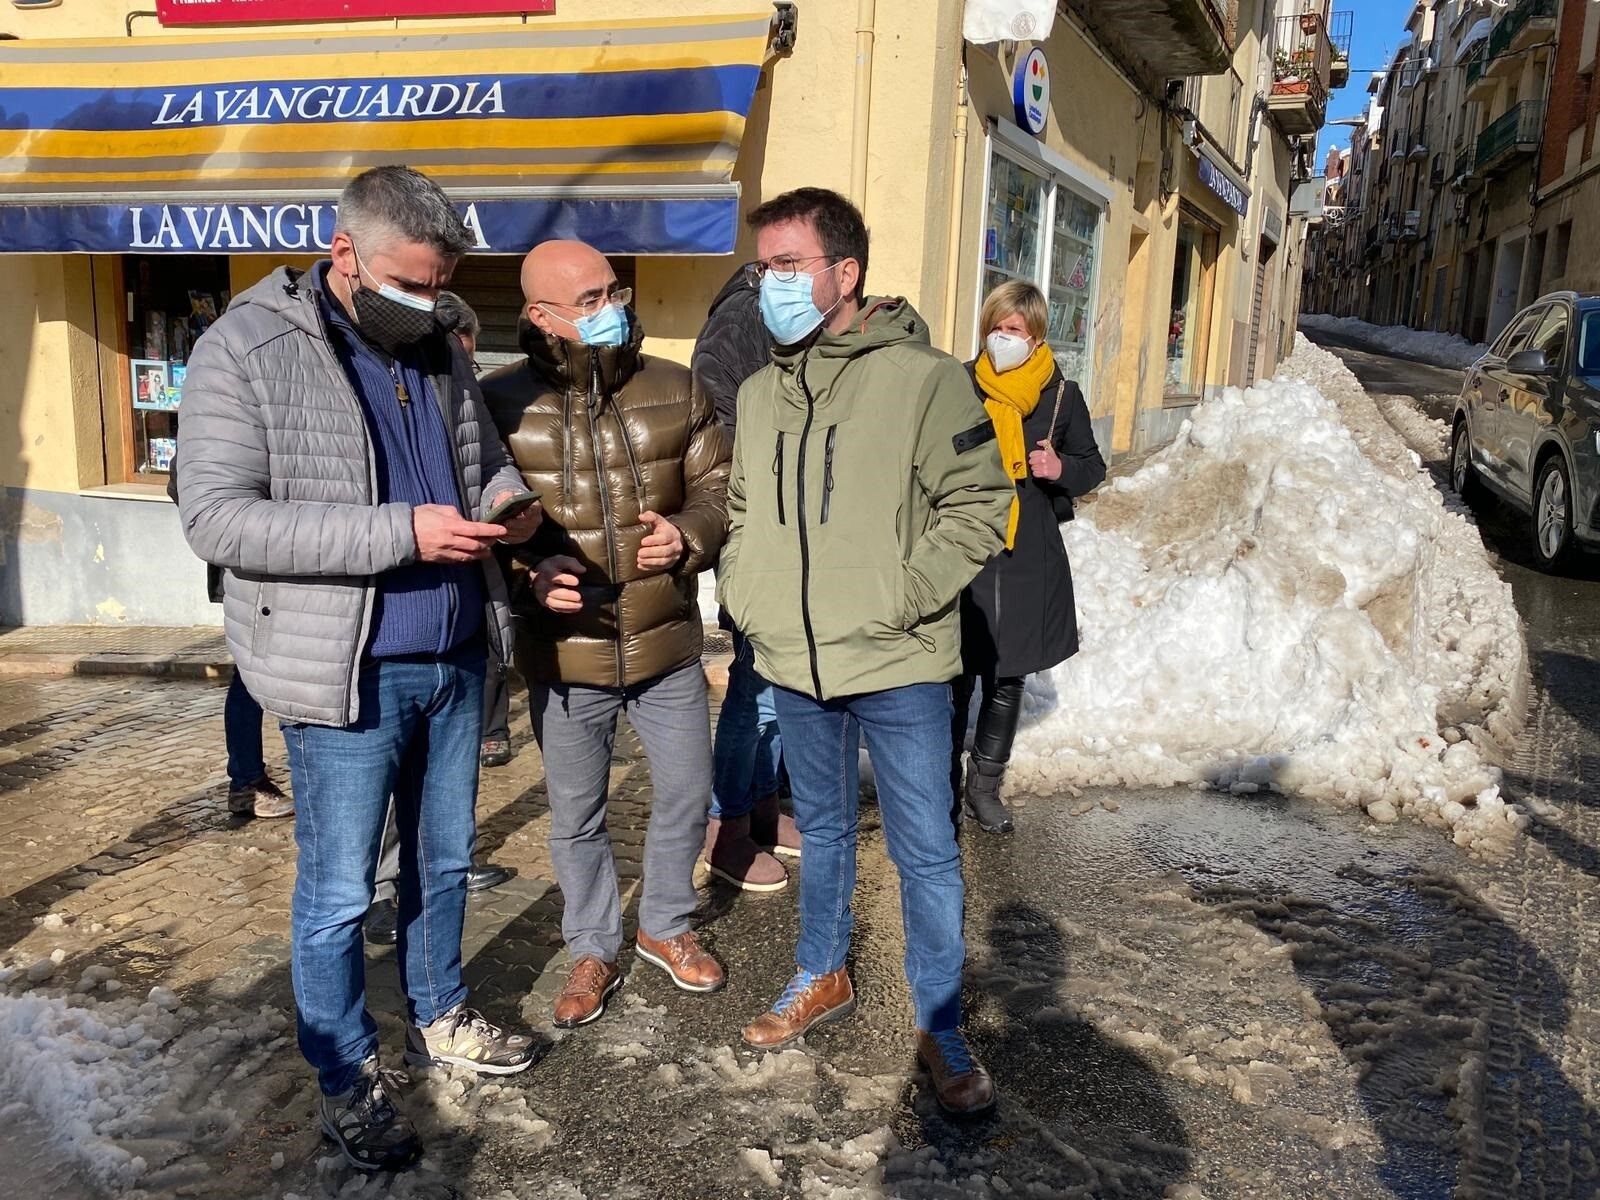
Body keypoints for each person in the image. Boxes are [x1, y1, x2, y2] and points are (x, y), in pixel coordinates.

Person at [176, 166, 542, 1172]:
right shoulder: (242, 349)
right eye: (411, 284)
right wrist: (400, 532)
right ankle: (344, 1073)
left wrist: (515, 511)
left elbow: (478, 459)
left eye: (440, 286)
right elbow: (215, 515)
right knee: (340, 893)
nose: (428, 306)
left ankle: (442, 1015)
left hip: (457, 655)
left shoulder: (434, 344)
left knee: (444, 860)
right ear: (345, 256)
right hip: (345, 672)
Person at [718, 188, 1013, 1115]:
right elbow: (740, 513)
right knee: (829, 833)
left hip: (900, 664)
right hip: (795, 663)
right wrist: (748, 593)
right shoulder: (763, 391)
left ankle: (939, 1022)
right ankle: (822, 974)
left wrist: (899, 599)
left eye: (791, 266)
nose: (773, 284)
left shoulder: (925, 379)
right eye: (765, 267)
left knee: (925, 847)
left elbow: (979, 503)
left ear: (845, 274)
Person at [482, 240, 732, 1030]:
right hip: (567, 656)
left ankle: (665, 924)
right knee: (577, 815)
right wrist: (528, 577)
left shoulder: (676, 386)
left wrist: (689, 534)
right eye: (587, 299)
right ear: (541, 317)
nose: (609, 308)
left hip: (665, 643)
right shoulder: (499, 405)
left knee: (689, 791)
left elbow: (723, 490)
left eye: (611, 290)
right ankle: (593, 944)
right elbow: (485, 527)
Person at [954, 281, 1106, 833]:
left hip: (1027, 548)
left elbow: (1092, 465)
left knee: (1007, 674)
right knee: (956, 673)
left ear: (1036, 335)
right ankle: (943, 785)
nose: (1002, 338)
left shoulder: (1059, 394)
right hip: (966, 541)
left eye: (1014, 330)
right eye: (996, 326)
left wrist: (1059, 470)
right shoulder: (961, 384)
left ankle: (984, 787)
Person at [691, 267, 794, 892]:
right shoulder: (738, 325)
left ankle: (759, 807)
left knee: (779, 690)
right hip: (762, 540)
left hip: (796, 539)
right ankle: (723, 825)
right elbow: (729, 448)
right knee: (756, 691)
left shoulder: (778, 322)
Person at [167, 457, 294, 819]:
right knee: (252, 678)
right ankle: (247, 783)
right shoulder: (224, 411)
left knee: (272, 675)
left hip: (277, 570)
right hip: (254, 575)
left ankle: (252, 780)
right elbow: (185, 483)